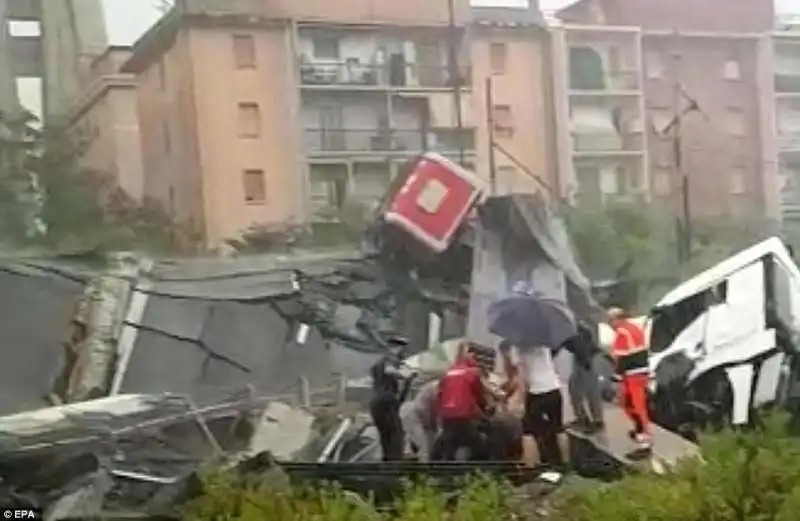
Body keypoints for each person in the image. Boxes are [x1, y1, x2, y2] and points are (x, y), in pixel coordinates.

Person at [607, 307, 652, 451]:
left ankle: (644, 441)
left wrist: (617, 378)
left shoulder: (622, 332)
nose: (609, 324)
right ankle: (640, 431)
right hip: (641, 372)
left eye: (610, 320)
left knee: (632, 406)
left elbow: (623, 358)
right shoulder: (634, 328)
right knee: (637, 406)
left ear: (617, 319)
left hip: (631, 375)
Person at [434, 342, 487, 461]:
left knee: (448, 444)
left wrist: (439, 414)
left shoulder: (448, 373)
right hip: (463, 415)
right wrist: (484, 409)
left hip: (447, 416)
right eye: (472, 353)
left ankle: (440, 467)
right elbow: (480, 395)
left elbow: (439, 395)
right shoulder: (472, 372)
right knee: (478, 444)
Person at [518, 344, 567, 469]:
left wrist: (521, 403)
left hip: (536, 392)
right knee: (559, 428)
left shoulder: (520, 348)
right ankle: (566, 464)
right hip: (554, 390)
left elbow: (523, 379)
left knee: (528, 431)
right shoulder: (544, 344)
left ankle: (531, 466)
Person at [369, 336, 413, 461]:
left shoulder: (378, 362)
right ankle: (395, 467)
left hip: (377, 403)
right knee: (395, 436)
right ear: (396, 348)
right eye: (403, 349)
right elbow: (389, 370)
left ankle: (387, 465)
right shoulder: (390, 358)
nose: (405, 352)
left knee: (386, 437)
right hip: (387, 402)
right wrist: (405, 374)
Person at [561, 322, 605, 433]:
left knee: (591, 391)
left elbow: (581, 346)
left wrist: (586, 363)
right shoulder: (562, 328)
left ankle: (597, 421)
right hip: (580, 358)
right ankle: (582, 418)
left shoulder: (573, 328)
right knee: (574, 390)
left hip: (587, 358)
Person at [400, 379, 439, 462]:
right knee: (424, 445)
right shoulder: (436, 390)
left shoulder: (434, 386)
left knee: (425, 442)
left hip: (416, 412)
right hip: (416, 415)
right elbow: (423, 410)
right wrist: (431, 424)